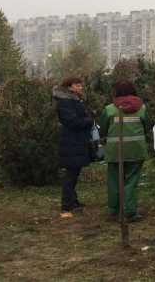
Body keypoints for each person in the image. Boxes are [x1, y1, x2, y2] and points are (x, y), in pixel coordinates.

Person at [99, 81, 150, 222]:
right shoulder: (142, 109)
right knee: (131, 181)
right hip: (136, 150)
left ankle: (114, 210)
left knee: (114, 180)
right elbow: (147, 127)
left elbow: (102, 129)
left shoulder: (109, 109)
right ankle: (129, 211)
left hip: (115, 151)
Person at [54, 76, 94, 218]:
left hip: (76, 141)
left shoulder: (73, 100)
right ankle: (65, 208)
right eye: (77, 85)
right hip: (71, 142)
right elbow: (71, 121)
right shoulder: (65, 102)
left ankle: (73, 202)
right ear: (69, 87)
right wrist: (89, 121)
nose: (80, 87)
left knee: (74, 173)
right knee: (71, 174)